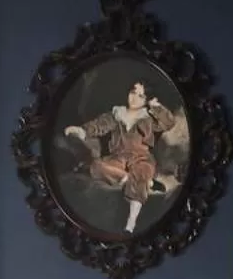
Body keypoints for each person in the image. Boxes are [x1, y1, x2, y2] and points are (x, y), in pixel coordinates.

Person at [63, 81, 177, 233]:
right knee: (97, 166)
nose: (134, 98)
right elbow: (99, 125)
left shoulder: (148, 118)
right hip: (118, 157)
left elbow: (168, 123)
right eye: (133, 92)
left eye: (141, 96)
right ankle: (135, 180)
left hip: (141, 157)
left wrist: (156, 107)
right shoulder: (117, 114)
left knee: (142, 170)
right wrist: (81, 130)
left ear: (146, 100)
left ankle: (131, 223)